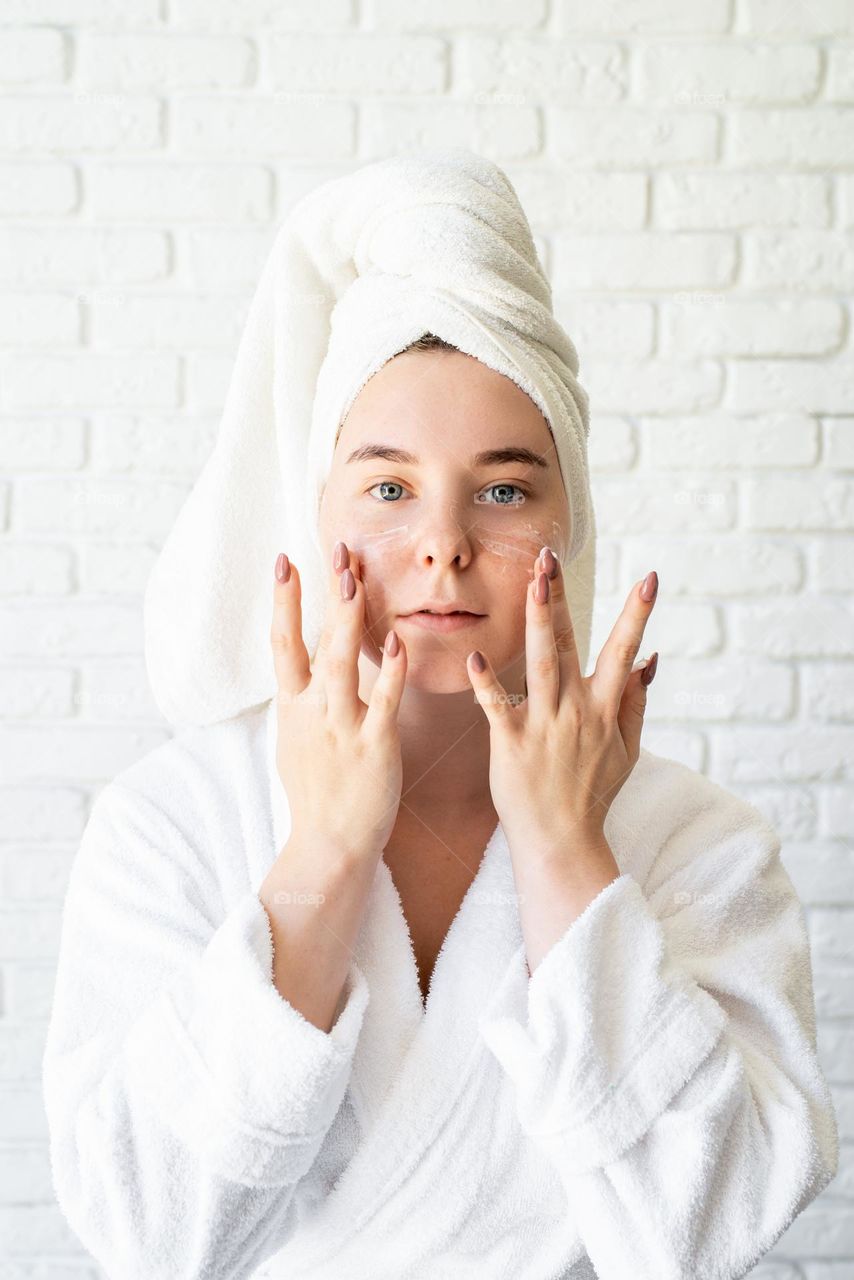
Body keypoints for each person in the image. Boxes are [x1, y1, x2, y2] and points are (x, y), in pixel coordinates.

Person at [42, 151, 838, 1280]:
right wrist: (319, 854)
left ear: (574, 522)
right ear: (314, 513)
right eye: (386, 487)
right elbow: (147, 1233)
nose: (442, 542)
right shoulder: (170, 821)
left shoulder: (695, 846)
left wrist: (567, 855)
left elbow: (704, 1236)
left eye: (504, 488)